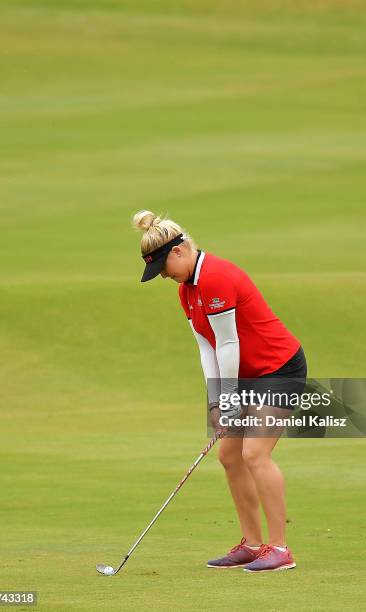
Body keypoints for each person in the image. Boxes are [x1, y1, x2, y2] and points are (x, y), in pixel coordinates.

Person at [133, 210, 307, 572]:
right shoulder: (187, 290)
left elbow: (229, 343)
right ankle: (252, 544)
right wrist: (217, 401)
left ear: (179, 251)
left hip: (278, 369)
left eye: (164, 266)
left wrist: (229, 399)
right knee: (229, 456)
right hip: (242, 375)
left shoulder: (216, 277)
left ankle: (280, 549)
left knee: (255, 453)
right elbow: (207, 347)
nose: (164, 275)